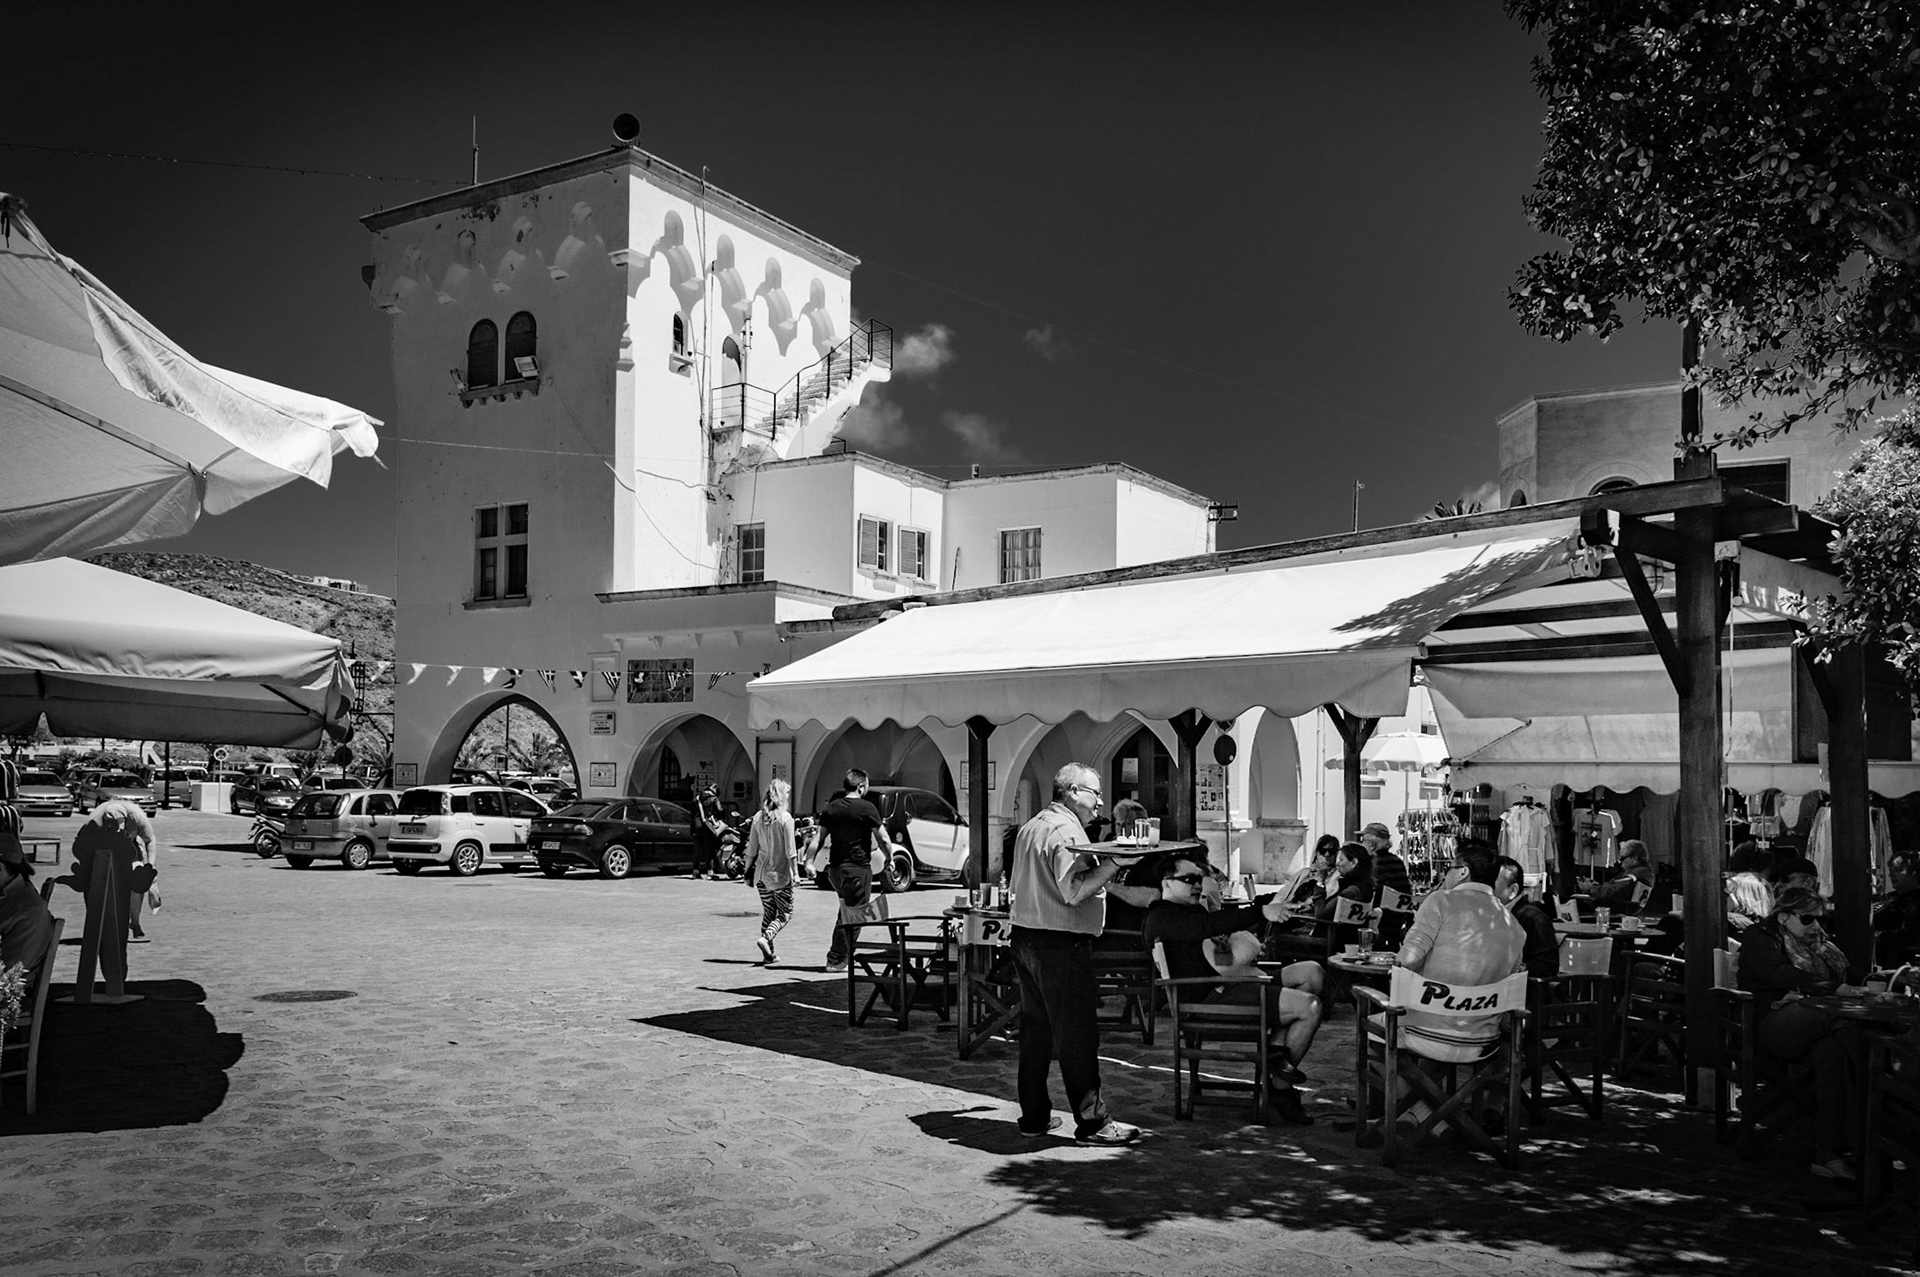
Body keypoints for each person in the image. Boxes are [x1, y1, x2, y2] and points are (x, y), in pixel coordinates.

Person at [1007, 762, 1143, 1145]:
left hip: (1027, 936)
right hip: (1059, 942)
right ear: (1070, 791)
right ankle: (1093, 1123)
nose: (1100, 803)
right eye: (1094, 793)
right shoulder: (1066, 829)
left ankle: (1033, 1116)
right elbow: (1074, 889)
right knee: (1076, 1035)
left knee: (1036, 1034)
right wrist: (1116, 863)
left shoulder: (1033, 824)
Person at [1142, 852, 1323, 1124]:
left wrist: (1272, 904)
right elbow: (1207, 925)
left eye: (1200, 878)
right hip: (1208, 1000)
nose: (1197, 885)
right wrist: (1260, 912)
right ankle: (1280, 1087)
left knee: (1313, 973)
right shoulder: (1163, 917)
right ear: (1166, 883)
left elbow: (1216, 925)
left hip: (1228, 983)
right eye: (1188, 879)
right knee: (1310, 1008)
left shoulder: (1189, 910)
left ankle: (1275, 1054)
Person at [1736, 886, 1866, 1180]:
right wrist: (1833, 989)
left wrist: (1875, 980)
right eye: (1808, 919)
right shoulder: (1759, 937)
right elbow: (1779, 974)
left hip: (1811, 1027)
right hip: (1769, 1021)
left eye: (1820, 919)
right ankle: (1879, 1118)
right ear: (1784, 916)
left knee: (1832, 1054)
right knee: (1845, 1018)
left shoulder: (1818, 943)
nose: (1816, 926)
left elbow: (1846, 971)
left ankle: (1830, 1153)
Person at [1396, 842, 1525, 1062]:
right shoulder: (1515, 927)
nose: (1446, 875)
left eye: (1449, 869)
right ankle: (1431, 1095)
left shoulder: (1440, 901)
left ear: (1463, 872)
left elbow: (1406, 961)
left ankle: (1410, 1095)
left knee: (1372, 1027)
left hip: (1424, 1032)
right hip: (1483, 1041)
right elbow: (1509, 985)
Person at [818, 769, 886, 973]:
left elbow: (818, 838)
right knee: (854, 916)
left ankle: (842, 955)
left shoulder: (831, 808)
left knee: (846, 912)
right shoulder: (867, 808)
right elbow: (882, 837)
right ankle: (837, 958)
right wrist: (890, 857)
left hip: (836, 870)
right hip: (856, 869)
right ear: (861, 786)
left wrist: (809, 861)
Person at [742, 779, 798, 964]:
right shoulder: (786, 818)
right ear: (782, 796)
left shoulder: (758, 817)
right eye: (787, 793)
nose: (789, 797)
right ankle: (766, 938)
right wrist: (796, 873)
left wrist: (747, 870)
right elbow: (791, 851)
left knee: (768, 911)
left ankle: (769, 954)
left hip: (761, 874)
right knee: (785, 913)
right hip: (779, 875)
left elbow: (751, 849)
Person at [1495, 854, 1557, 978]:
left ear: (1512, 890)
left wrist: (1517, 968)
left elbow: (1548, 966)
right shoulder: (1485, 913)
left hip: (1521, 991)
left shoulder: (1533, 918)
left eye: (1492, 884)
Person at [1314, 841, 1375, 949]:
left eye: (1341, 859)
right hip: (1348, 939)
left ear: (1354, 862)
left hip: (1331, 941)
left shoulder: (1351, 892)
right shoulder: (1367, 887)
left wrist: (1320, 884)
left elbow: (1321, 916)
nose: (1337, 863)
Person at [1872, 851, 1920, 967]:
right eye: (1891, 871)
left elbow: (1912, 934)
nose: (1891, 875)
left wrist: (1879, 936)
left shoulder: (1916, 902)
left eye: (1898, 870)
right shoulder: (1891, 897)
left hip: (1903, 967)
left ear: (1914, 873)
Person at [1592, 840, 1653, 913]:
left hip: (1616, 911)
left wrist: (1590, 888)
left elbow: (1612, 892)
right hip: (1623, 910)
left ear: (1634, 858)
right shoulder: (1643, 872)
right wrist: (1595, 886)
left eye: (1622, 858)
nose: (1620, 862)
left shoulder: (1635, 874)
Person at [689, 784, 725, 880]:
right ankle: (710, 872)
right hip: (707, 826)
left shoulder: (696, 798)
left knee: (697, 849)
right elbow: (720, 810)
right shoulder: (714, 799)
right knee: (709, 849)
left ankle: (695, 871)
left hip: (696, 826)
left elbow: (691, 812)